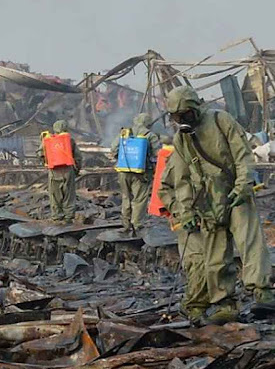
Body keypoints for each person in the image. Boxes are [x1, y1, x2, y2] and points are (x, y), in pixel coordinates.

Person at [166, 85, 275, 324]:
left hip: (235, 193)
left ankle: (262, 292)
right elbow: (182, 180)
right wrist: (186, 212)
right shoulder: (181, 139)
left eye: (186, 115)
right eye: (177, 117)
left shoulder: (220, 120)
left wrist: (243, 185)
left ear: (196, 109)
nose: (183, 120)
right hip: (207, 202)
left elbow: (242, 155)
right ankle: (224, 303)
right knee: (215, 254)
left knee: (250, 242)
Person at [158, 152, 209, 323]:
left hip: (211, 220)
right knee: (197, 261)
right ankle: (193, 307)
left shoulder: (213, 153)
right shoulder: (180, 156)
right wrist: (182, 213)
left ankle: (206, 303)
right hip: (187, 222)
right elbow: (164, 190)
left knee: (215, 263)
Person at [111, 113, 161, 234]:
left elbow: (114, 148)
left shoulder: (125, 133)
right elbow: (157, 154)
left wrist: (122, 158)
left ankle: (126, 224)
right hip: (141, 172)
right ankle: (137, 224)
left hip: (123, 171)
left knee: (126, 197)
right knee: (139, 199)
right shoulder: (150, 135)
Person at [38, 119, 82, 223]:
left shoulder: (48, 140)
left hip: (54, 170)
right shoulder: (69, 140)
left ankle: (57, 217)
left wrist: (46, 162)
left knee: (55, 195)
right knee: (69, 195)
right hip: (68, 170)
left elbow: (40, 153)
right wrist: (76, 170)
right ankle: (68, 217)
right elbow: (78, 157)